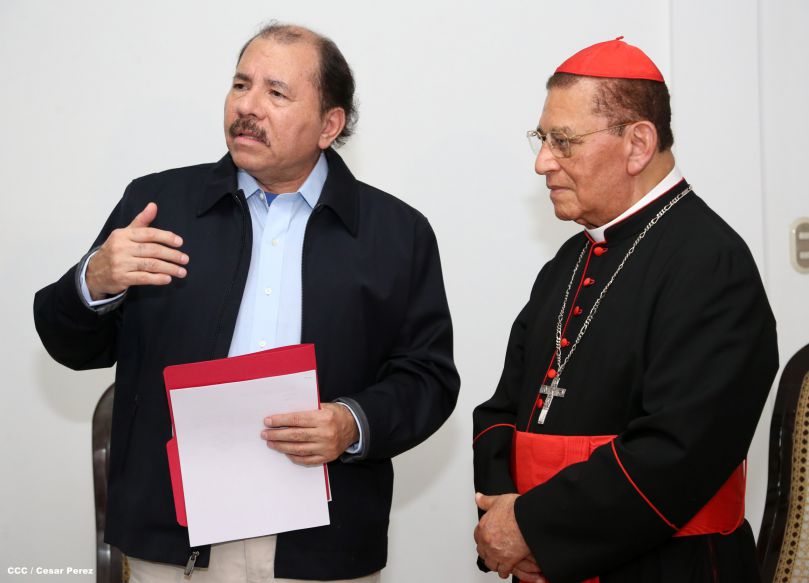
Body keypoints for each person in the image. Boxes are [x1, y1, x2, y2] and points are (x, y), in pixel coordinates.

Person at [34, 23, 459, 582]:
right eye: (241, 85)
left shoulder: (396, 234)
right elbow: (72, 345)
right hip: (176, 535)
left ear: (329, 124)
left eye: (276, 93)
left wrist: (351, 424)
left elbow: (428, 377)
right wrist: (95, 280)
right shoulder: (159, 206)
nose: (247, 107)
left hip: (321, 539)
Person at [472, 37, 778, 583]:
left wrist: (536, 530)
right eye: (541, 139)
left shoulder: (712, 263)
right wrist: (506, 519)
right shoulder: (570, 260)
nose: (542, 162)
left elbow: (677, 453)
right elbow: (502, 412)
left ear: (638, 144)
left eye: (563, 141)